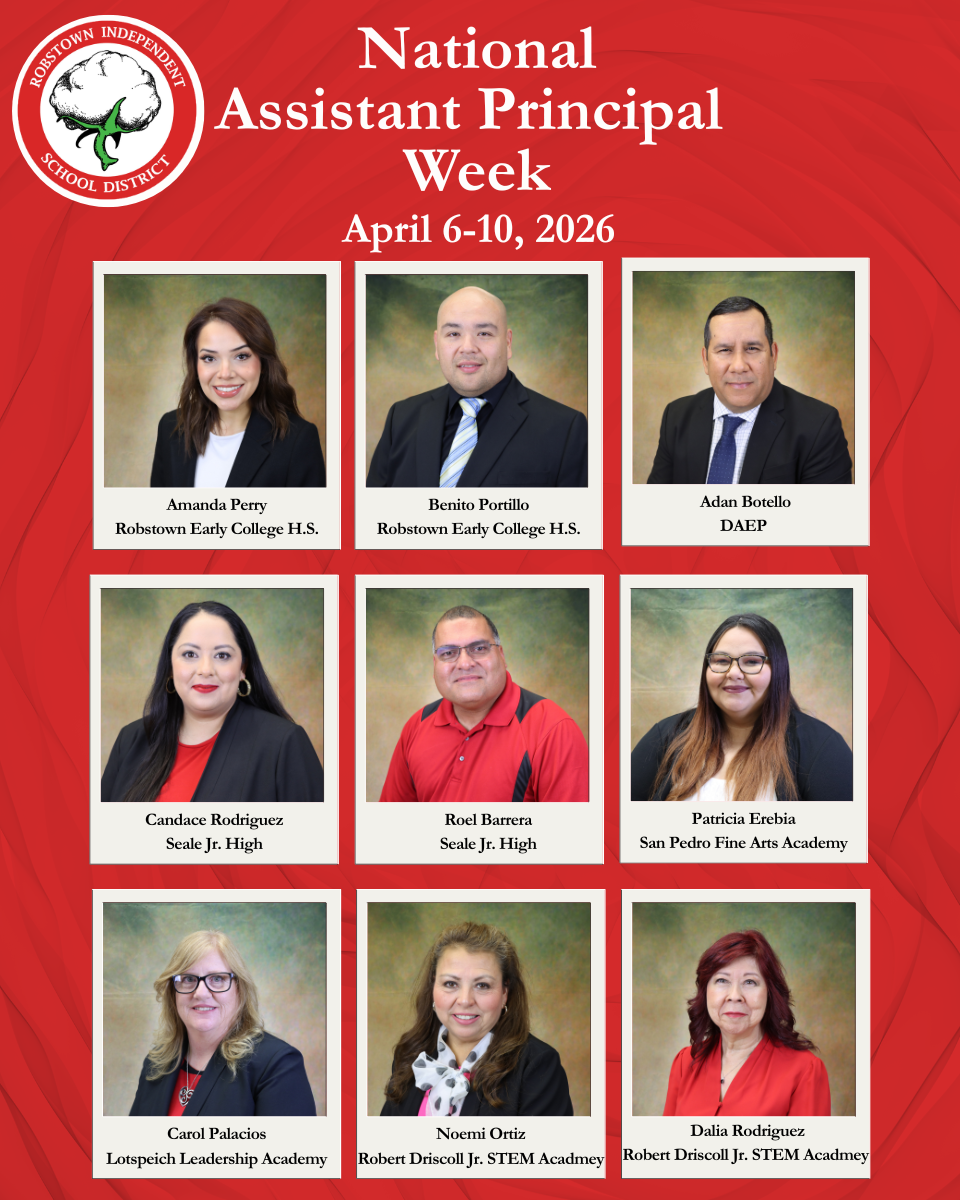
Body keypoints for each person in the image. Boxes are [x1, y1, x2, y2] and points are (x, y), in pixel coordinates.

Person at [101, 600, 323, 802]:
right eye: (190, 654)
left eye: (222, 655)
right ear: (170, 666)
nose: (205, 670)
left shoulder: (284, 743)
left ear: (242, 668)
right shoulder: (130, 741)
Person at [366, 286, 587, 487]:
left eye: (484, 333)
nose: (468, 347)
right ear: (437, 344)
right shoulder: (401, 417)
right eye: (453, 334)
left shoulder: (566, 429)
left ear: (508, 343)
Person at [630, 613, 852, 802]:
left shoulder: (823, 748)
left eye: (752, 661)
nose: (733, 672)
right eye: (721, 661)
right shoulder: (664, 737)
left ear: (778, 670)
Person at [378, 605, 588, 802]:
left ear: (501, 655)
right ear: (435, 664)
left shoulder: (552, 730)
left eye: (478, 648)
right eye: (448, 653)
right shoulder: (416, 727)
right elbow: (391, 833)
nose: (465, 663)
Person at [646, 296, 852, 484]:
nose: (738, 366)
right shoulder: (677, 416)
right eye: (725, 350)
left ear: (774, 355)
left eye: (752, 349)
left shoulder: (819, 426)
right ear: (705, 360)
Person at [380, 922, 573, 1116]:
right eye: (450, 983)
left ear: (505, 992)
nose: (465, 1000)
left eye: (482, 985)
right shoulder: (410, 1054)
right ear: (432, 987)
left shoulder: (538, 1068)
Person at [128, 929, 316, 1116]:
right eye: (187, 979)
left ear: (239, 990)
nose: (200, 993)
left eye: (217, 979)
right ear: (173, 993)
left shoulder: (277, 1065)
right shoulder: (157, 1063)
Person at [150, 298, 325, 487]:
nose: (225, 374)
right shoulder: (170, 428)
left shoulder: (298, 441)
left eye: (241, 356)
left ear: (264, 363)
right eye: (209, 358)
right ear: (195, 365)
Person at [662, 929, 831, 1117]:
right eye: (722, 980)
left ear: (769, 993)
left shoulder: (805, 1070)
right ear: (705, 991)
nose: (735, 996)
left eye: (750, 982)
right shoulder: (685, 1063)